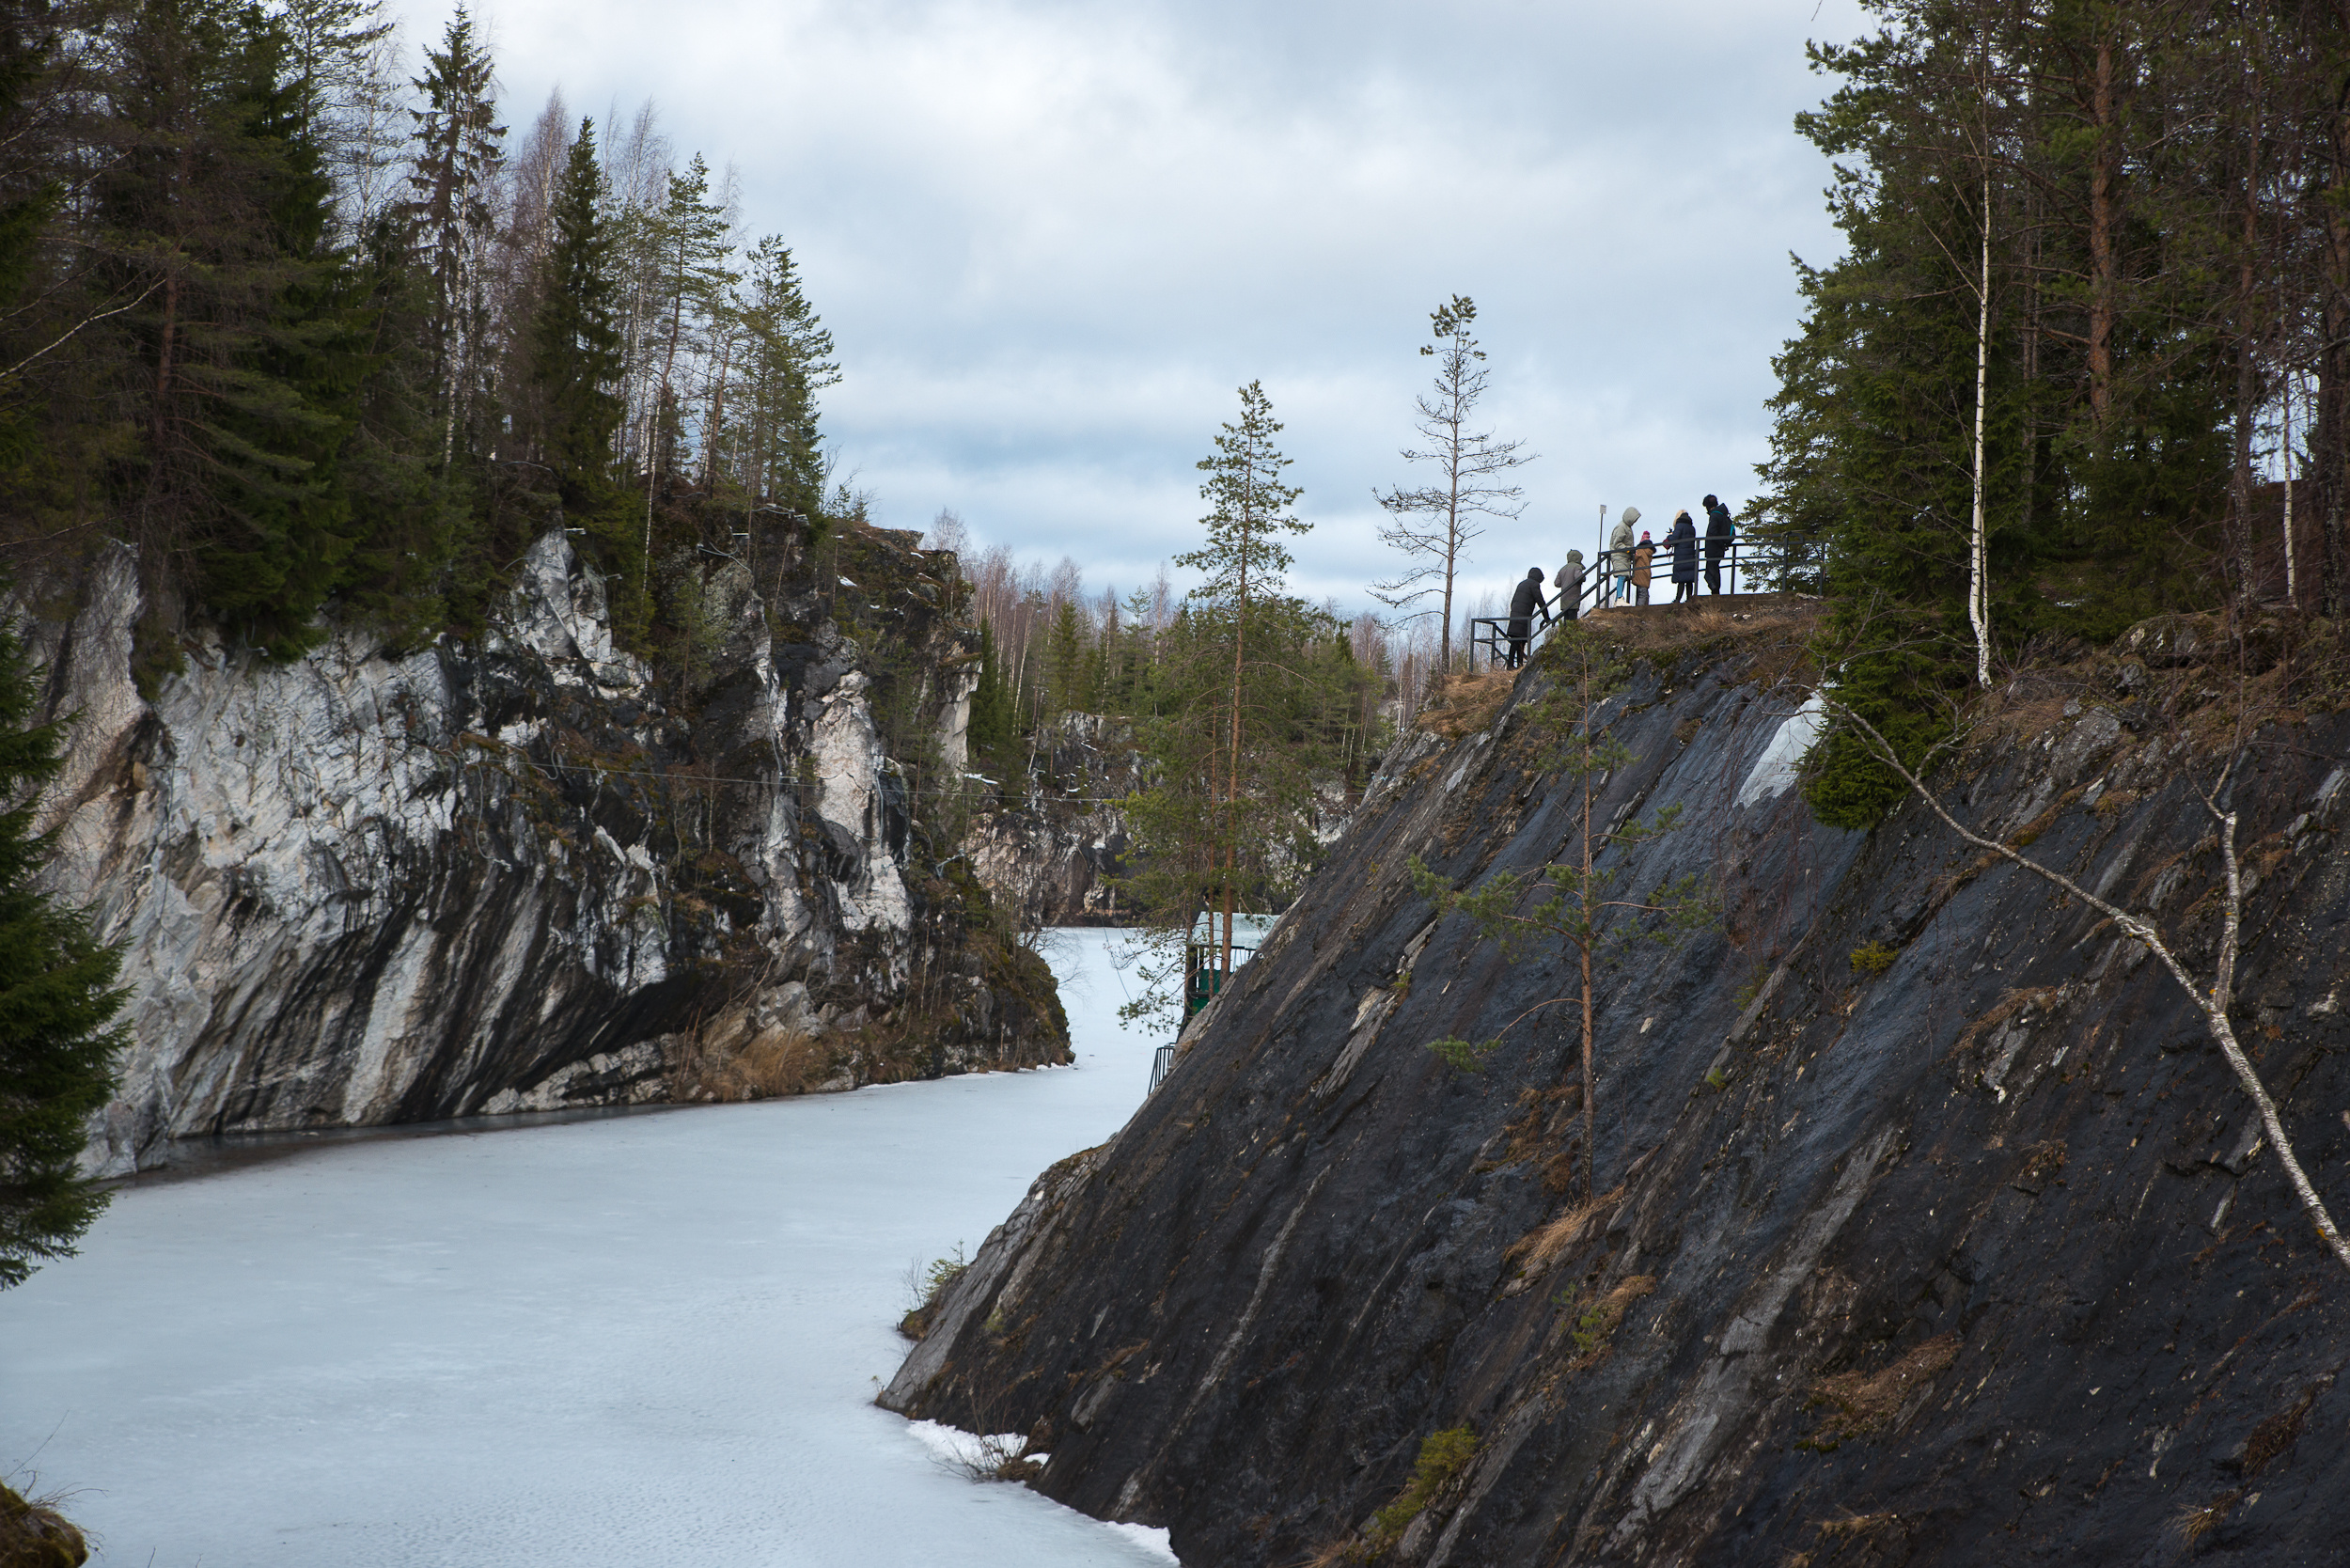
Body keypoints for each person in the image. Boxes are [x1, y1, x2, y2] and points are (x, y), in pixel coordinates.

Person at [1505, 566, 1547, 667]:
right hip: (1523, 616)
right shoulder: (1534, 584)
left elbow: (1513, 601)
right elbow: (1540, 600)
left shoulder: (1522, 584)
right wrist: (1546, 616)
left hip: (1515, 614)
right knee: (1519, 641)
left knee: (1517, 640)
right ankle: (1512, 665)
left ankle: (1517, 665)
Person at [1703, 494, 1735, 595]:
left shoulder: (1715, 515)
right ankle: (1716, 592)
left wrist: (1718, 542)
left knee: (1709, 573)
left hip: (1713, 548)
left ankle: (1715, 591)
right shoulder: (1722, 514)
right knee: (1715, 570)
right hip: (1720, 548)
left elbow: (1712, 531)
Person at [1668, 510, 1699, 604]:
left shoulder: (1679, 526)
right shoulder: (1692, 528)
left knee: (1681, 579)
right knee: (1689, 579)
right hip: (1690, 555)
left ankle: (1677, 600)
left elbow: (1674, 539)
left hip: (1681, 555)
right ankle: (1690, 599)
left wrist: (1669, 537)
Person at [1610, 508, 1639, 604]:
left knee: (1623, 576)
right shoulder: (1622, 527)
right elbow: (1617, 544)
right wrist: (1628, 549)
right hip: (1619, 556)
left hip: (1624, 556)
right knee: (1622, 576)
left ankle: (1618, 600)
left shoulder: (1627, 527)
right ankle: (1619, 598)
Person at [1555, 548, 1586, 620]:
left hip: (1564, 598)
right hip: (1573, 598)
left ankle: (1565, 631)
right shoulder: (1577, 566)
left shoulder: (1562, 569)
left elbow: (1557, 583)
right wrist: (1583, 578)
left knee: (1566, 620)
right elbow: (1579, 577)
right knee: (1572, 621)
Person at [1631, 530, 1655, 606]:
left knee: (1641, 593)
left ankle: (1638, 609)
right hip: (1647, 572)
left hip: (1639, 572)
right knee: (1644, 593)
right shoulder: (1650, 551)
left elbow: (1634, 558)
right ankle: (1644, 608)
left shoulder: (1640, 550)